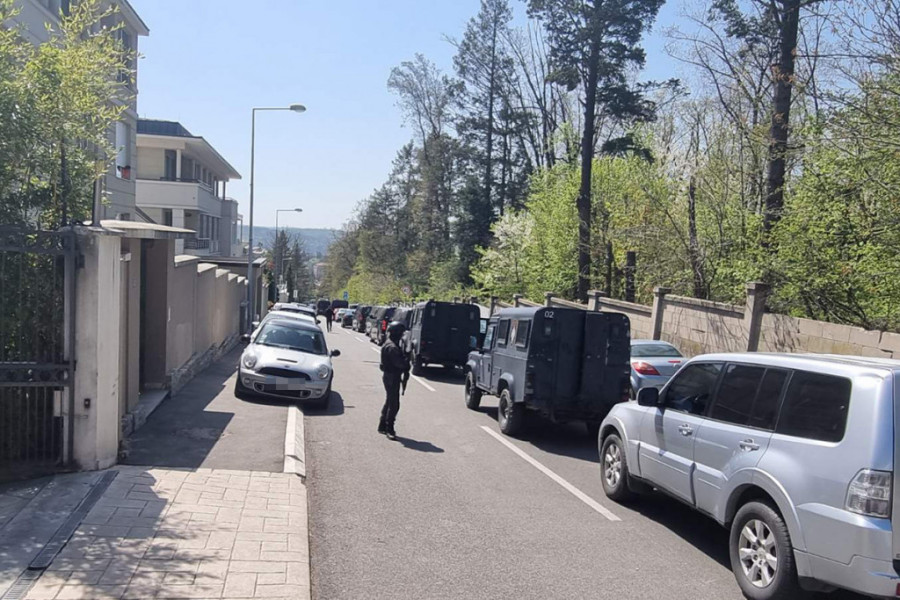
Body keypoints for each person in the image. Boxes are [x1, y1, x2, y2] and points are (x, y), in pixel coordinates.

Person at [378, 321, 410, 440]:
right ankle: (389, 428)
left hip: (390, 376)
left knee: (389, 401)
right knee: (394, 404)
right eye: (401, 333)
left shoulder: (391, 344)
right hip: (392, 376)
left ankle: (382, 425)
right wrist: (406, 362)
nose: (402, 335)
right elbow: (399, 363)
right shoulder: (392, 347)